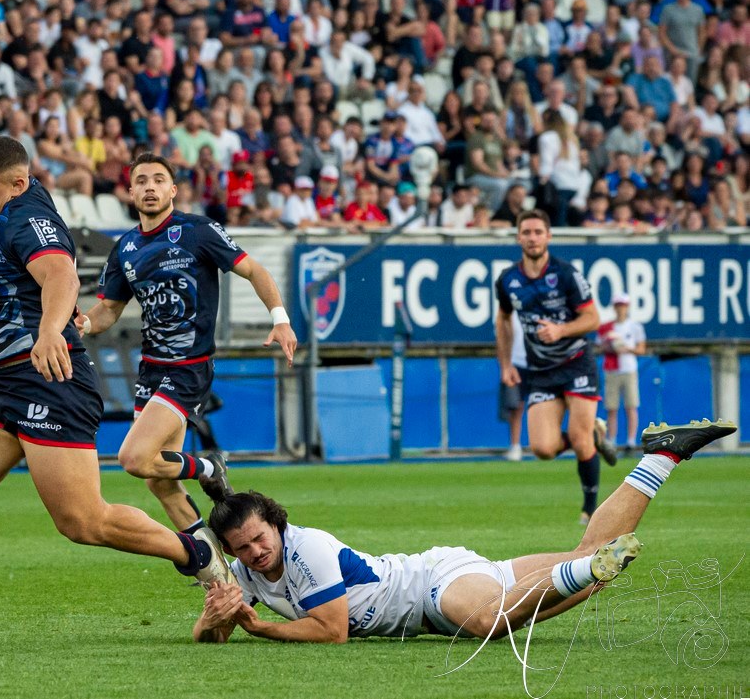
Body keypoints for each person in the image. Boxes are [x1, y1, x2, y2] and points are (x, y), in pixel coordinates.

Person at [0, 137, 231, 651]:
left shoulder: (26, 221)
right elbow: (6, 257)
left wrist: (53, 329)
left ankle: (195, 554)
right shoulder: (10, 207)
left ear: (17, 184)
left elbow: (60, 273)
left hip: (50, 380)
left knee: (83, 522)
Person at [193, 420, 737, 643]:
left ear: (277, 525)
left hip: (432, 583)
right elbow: (213, 633)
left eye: (261, 538)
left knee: (486, 621)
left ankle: (584, 573)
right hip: (441, 583)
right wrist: (212, 619)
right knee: (589, 559)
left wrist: (257, 627)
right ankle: (663, 456)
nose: (256, 552)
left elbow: (332, 630)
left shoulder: (304, 545)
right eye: (242, 549)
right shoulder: (246, 569)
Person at [75, 152, 297, 541]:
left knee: (133, 458)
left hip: (188, 367)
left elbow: (254, 270)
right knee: (158, 482)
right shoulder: (125, 248)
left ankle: (209, 467)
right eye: (141, 181)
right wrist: (86, 324)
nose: (150, 187)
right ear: (130, 192)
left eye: (158, 180)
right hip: (151, 369)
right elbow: (110, 308)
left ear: (173, 190)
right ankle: (215, 573)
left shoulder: (197, 231)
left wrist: (280, 319)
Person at [495, 209, 618, 525]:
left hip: (577, 364)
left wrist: (560, 330)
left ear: (548, 236)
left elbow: (592, 318)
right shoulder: (508, 280)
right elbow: (503, 319)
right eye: (526, 232)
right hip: (540, 372)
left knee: (578, 441)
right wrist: (506, 363)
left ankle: (590, 509)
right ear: (518, 237)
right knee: (543, 448)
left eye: (538, 232)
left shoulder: (566, 274)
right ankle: (593, 431)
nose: (532, 238)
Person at [598, 294, 647, 452]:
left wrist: (626, 348)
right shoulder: (607, 327)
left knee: (630, 406)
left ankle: (631, 441)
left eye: (623, 305)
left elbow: (641, 349)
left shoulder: (635, 327)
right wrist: (610, 347)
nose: (621, 308)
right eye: (618, 305)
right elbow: (600, 347)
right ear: (614, 307)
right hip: (612, 369)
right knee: (612, 407)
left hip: (628, 369)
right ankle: (612, 440)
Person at [498, 312, 527, 461]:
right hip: (516, 364)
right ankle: (515, 445)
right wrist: (505, 366)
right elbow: (501, 339)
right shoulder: (508, 314)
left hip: (537, 363)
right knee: (516, 406)